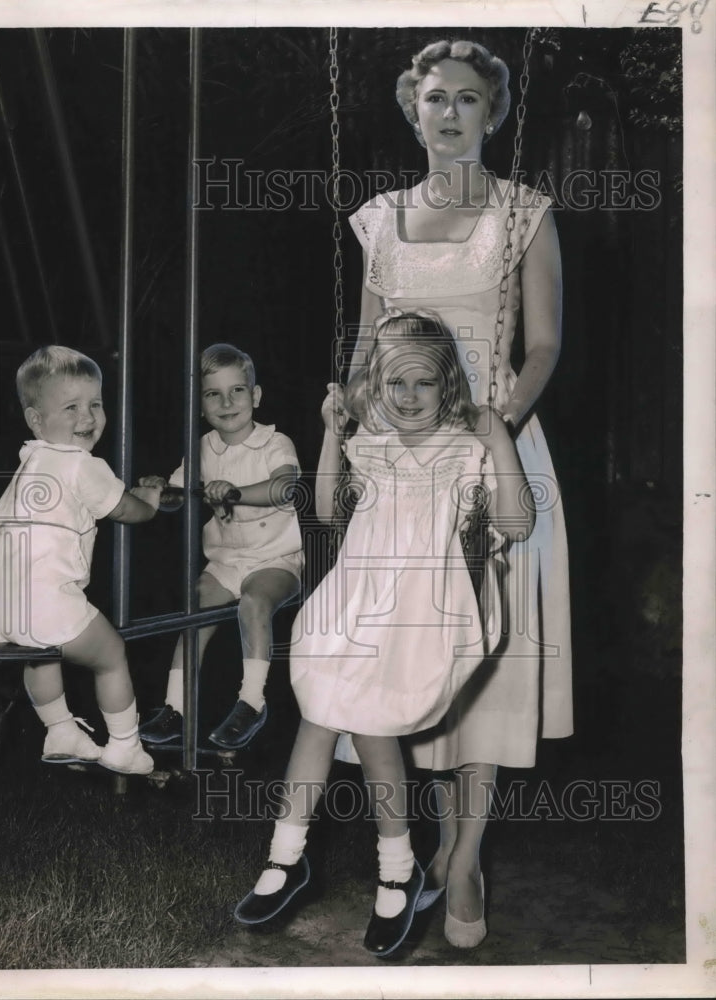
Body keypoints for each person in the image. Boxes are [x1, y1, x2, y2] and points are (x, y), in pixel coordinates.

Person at [346, 38, 573, 948]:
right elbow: (367, 352)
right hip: (405, 465)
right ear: (414, 110)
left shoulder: (524, 214)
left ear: (493, 113)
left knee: (488, 665)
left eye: (467, 99)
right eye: (434, 97)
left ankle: (465, 857)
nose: (449, 113)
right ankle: (434, 845)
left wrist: (495, 431)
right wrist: (358, 435)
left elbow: (545, 345)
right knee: (419, 662)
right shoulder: (378, 219)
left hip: (500, 450)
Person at [234, 311, 534, 959]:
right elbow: (321, 510)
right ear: (376, 385)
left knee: (371, 726)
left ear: (448, 386)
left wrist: (501, 440)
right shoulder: (366, 441)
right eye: (395, 383)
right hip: (353, 600)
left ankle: (395, 871)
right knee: (317, 709)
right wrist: (327, 434)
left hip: (418, 612)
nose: (408, 397)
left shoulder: (465, 446)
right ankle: (287, 860)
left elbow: (518, 519)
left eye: (424, 384)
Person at [0, 345, 161, 775]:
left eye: (95, 403)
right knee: (110, 654)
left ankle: (59, 730)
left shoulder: (29, 462)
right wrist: (149, 497)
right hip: (45, 602)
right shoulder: (79, 463)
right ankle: (125, 745)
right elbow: (129, 511)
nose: (87, 418)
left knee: (39, 651)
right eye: (71, 407)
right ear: (36, 420)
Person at [139, 343, 303, 752]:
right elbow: (178, 495)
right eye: (213, 394)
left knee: (253, 601)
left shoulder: (274, 442)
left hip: (275, 557)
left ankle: (251, 701)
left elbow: (285, 488)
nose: (227, 402)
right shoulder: (201, 448)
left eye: (237, 391)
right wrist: (159, 489)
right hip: (225, 561)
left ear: (256, 396)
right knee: (195, 609)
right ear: (200, 404)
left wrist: (234, 492)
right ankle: (175, 707)